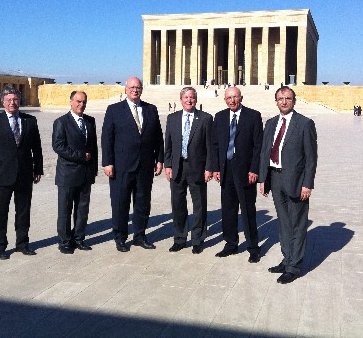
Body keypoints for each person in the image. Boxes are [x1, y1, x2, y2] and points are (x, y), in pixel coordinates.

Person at [258, 86, 318, 284]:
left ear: (294, 100)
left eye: (288, 98)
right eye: (280, 98)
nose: (284, 102)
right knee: (283, 222)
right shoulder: (271, 123)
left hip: (296, 181)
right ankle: (286, 259)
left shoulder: (304, 124)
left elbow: (311, 158)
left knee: (298, 224)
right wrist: (263, 178)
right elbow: (265, 151)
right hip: (275, 178)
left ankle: (294, 266)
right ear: (275, 101)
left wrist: (307, 184)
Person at [0, 86, 43, 260]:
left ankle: (22, 243)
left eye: (15, 99)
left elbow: (36, 147)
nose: (12, 103)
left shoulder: (30, 121)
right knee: (0, 213)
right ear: (3, 101)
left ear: (19, 101)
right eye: (9, 100)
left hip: (24, 174)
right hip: (1, 175)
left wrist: (38, 168)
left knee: (23, 211)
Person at [101, 77, 164, 252]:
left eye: (138, 87)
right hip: (121, 166)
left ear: (142, 89)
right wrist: (107, 162)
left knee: (143, 202)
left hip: (144, 165)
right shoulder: (114, 110)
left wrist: (159, 159)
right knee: (120, 203)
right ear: (126, 89)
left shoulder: (151, 109)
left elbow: (158, 137)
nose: (135, 90)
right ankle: (120, 237)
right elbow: (107, 138)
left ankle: (140, 235)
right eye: (132, 87)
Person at [210, 86, 263, 263]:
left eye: (235, 97)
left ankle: (253, 247)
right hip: (226, 171)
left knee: (248, 211)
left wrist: (254, 169)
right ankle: (230, 244)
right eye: (228, 98)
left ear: (241, 97)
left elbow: (258, 147)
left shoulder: (253, 116)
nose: (232, 101)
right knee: (228, 210)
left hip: (246, 172)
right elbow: (215, 145)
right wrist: (216, 168)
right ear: (224, 99)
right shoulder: (220, 117)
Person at [164, 87, 213, 255]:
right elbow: (168, 145)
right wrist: (168, 165)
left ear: (196, 99)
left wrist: (209, 168)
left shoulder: (205, 118)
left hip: (197, 168)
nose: (189, 100)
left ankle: (198, 239)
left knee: (199, 205)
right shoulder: (172, 118)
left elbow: (210, 146)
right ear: (181, 99)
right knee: (178, 204)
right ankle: (180, 238)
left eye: (192, 97)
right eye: (186, 97)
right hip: (178, 167)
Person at [52, 91, 98, 254]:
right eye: (78, 101)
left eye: (84, 102)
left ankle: (79, 238)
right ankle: (64, 241)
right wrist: (80, 156)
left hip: (85, 174)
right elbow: (58, 146)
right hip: (67, 174)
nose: (81, 105)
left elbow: (93, 147)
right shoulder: (61, 122)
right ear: (71, 102)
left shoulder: (90, 121)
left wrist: (93, 170)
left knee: (82, 209)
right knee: (65, 209)